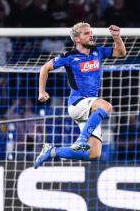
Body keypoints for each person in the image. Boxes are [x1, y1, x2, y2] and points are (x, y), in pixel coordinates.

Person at [34, 22, 126, 168]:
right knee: (106, 106)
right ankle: (81, 140)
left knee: (94, 154)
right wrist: (41, 91)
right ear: (77, 39)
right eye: (86, 33)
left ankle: (52, 151)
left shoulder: (98, 52)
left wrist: (116, 37)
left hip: (90, 109)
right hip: (77, 103)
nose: (91, 35)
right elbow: (45, 68)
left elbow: (121, 53)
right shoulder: (69, 57)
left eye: (91, 32)